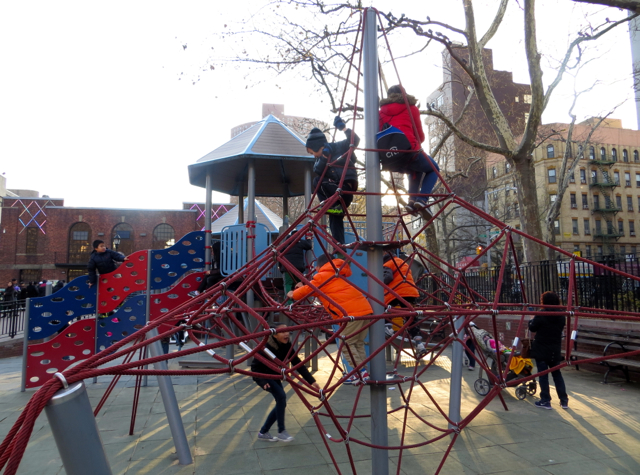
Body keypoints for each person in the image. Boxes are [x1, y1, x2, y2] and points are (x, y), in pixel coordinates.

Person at [288, 254, 373, 384]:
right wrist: (304, 285)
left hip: (351, 313)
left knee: (345, 342)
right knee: (356, 342)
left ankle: (359, 372)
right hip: (364, 310)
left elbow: (307, 291)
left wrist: (292, 294)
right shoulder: (337, 273)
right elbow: (314, 287)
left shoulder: (322, 275)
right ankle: (363, 372)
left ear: (318, 267)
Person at [379, 85, 440, 221]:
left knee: (415, 170)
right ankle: (422, 199)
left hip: (390, 158)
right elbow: (420, 136)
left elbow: (378, 134)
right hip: (409, 151)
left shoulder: (380, 113)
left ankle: (412, 201)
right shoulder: (411, 108)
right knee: (434, 168)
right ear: (403, 95)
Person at [251, 324, 320, 442]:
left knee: (281, 402)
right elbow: (254, 368)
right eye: (282, 332)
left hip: (276, 376)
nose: (286, 334)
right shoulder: (265, 347)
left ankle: (263, 431)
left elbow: (297, 363)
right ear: (275, 335)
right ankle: (281, 431)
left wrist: (311, 381)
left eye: (287, 331)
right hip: (265, 377)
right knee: (282, 397)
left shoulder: (287, 345)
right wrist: (262, 382)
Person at [306, 116, 360, 245]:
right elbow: (318, 169)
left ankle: (329, 205)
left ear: (317, 146)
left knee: (318, 181)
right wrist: (324, 156)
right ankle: (339, 248)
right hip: (336, 193)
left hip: (345, 187)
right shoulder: (319, 160)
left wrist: (343, 128)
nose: (313, 155)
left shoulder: (338, 147)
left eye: (312, 151)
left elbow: (355, 140)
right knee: (335, 218)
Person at [529, 291, 569, 410]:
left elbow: (532, 328)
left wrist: (531, 320)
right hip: (554, 348)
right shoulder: (561, 315)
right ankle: (564, 400)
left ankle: (545, 400)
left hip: (542, 347)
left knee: (543, 374)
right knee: (557, 374)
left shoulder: (542, 314)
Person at [382, 253, 423, 352]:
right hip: (411, 293)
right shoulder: (403, 263)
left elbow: (388, 277)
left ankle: (388, 328)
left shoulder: (388, 264)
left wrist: (377, 282)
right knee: (411, 316)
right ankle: (418, 340)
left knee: (385, 309)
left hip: (397, 292)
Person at [278, 231, 312, 302]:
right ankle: (299, 300)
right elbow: (309, 246)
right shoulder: (299, 242)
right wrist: (309, 239)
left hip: (287, 267)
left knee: (288, 284)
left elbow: (279, 255)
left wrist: (280, 267)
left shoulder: (285, 244)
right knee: (299, 283)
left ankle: (289, 302)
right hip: (298, 267)